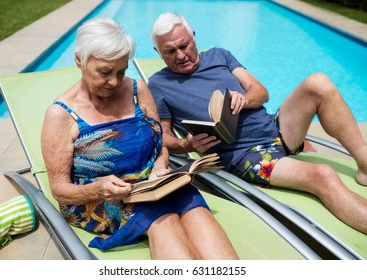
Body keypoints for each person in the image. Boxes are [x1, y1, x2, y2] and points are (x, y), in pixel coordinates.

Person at [148, 12, 367, 234]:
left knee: (318, 83)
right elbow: (162, 136)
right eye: (170, 51)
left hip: (275, 130)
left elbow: (262, 92)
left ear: (193, 37)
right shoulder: (159, 84)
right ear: (159, 53)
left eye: (184, 46)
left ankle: (364, 163)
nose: (181, 55)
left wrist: (244, 99)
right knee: (323, 175)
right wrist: (186, 145)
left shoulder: (219, 56)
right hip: (244, 156)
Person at [40, 16, 238, 260]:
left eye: (121, 71)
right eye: (104, 72)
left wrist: (160, 166)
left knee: (199, 216)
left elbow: (159, 144)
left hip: (154, 185)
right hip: (101, 200)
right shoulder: (60, 114)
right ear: (79, 60)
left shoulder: (136, 90)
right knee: (165, 221)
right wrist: (99, 189)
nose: (114, 82)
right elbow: (59, 189)